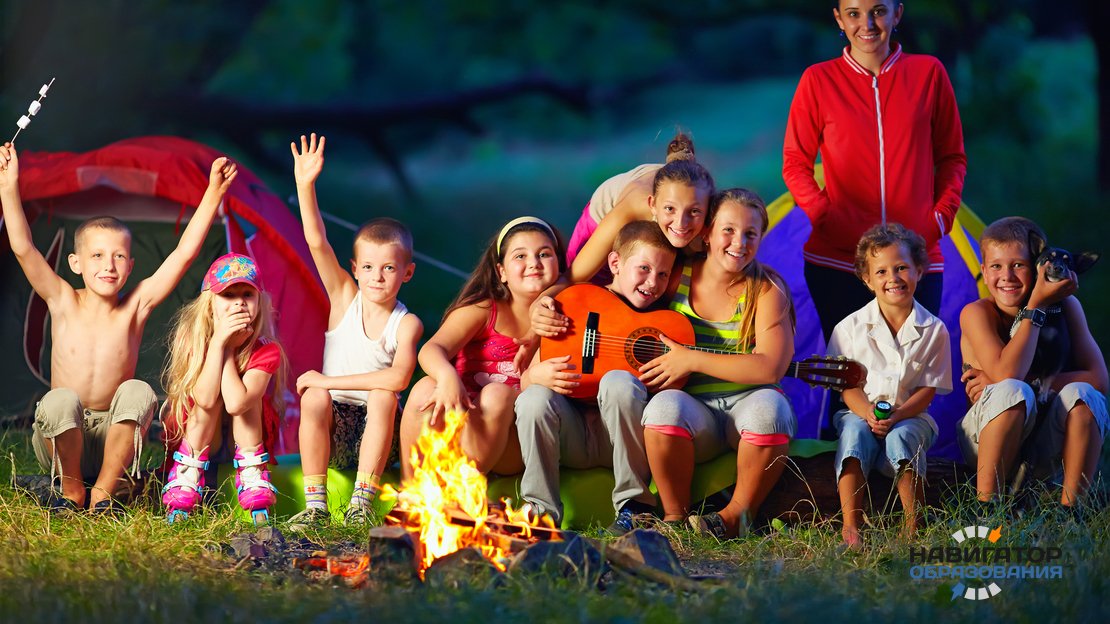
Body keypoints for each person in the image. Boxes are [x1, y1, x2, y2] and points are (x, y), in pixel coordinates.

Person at [0, 142, 236, 513]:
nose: (108, 266)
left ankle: (104, 492)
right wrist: (8, 186)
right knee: (60, 399)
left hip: (116, 435)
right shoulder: (62, 299)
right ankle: (72, 490)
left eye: (119, 256)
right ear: (75, 263)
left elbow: (183, 254)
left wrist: (213, 194)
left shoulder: (135, 307)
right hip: (63, 435)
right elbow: (22, 247)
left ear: (130, 266)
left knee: (138, 391)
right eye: (96, 256)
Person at [783, 0, 966, 340]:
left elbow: (952, 157)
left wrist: (939, 218)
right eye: (853, 13)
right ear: (839, 18)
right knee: (848, 371)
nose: (867, 24)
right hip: (838, 260)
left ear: (898, 13)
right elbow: (795, 163)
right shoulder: (818, 80)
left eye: (878, 11)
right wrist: (825, 217)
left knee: (913, 368)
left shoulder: (929, 73)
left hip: (914, 259)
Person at [640, 188, 797, 539]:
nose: (739, 243)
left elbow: (770, 367)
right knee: (663, 407)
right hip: (697, 414)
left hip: (748, 405)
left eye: (750, 233)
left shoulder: (766, 289)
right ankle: (675, 518)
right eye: (728, 230)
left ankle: (734, 518)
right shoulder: (674, 277)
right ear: (708, 232)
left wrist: (691, 359)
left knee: (770, 409)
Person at [285, 134, 423, 529]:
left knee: (382, 396)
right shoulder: (345, 297)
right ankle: (316, 507)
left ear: (407, 273)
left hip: (379, 437)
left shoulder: (406, 323)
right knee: (314, 397)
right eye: (368, 267)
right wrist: (305, 185)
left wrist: (327, 380)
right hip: (334, 431)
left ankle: (361, 503)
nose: (377, 277)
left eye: (389, 268)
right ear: (355, 268)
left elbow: (398, 379)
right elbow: (316, 242)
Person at [515, 221, 677, 533]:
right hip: (570, 434)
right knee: (534, 398)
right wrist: (536, 375)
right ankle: (540, 513)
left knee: (619, 382)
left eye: (663, 274)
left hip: (619, 438)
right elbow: (524, 385)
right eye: (644, 268)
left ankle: (635, 509)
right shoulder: (579, 303)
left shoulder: (663, 323)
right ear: (615, 263)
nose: (652, 282)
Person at [398, 216, 564, 480]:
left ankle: (462, 489)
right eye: (520, 256)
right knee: (425, 387)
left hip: (512, 441)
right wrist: (447, 376)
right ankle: (411, 491)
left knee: (497, 394)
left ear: (559, 264)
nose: (534, 262)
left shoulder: (565, 316)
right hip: (458, 418)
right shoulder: (485, 310)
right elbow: (432, 349)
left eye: (544, 254)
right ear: (502, 272)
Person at [958, 217, 1107, 510]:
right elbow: (1007, 374)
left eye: (1018, 265)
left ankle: (1072, 509)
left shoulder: (1066, 306)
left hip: (1045, 439)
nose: (1007, 276)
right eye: (996, 266)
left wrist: (1033, 383)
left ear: (1040, 266)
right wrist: (1035, 306)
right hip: (987, 442)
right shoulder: (977, 313)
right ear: (984, 272)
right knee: (1012, 391)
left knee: (1084, 395)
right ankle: (987, 507)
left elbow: (1099, 379)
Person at [827, 224, 952, 547]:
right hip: (859, 411)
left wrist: (897, 416)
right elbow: (847, 387)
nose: (893, 278)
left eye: (901, 268)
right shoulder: (849, 329)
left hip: (911, 415)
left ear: (919, 271)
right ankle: (851, 527)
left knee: (902, 436)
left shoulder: (934, 330)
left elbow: (927, 390)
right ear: (867, 279)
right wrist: (868, 413)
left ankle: (913, 526)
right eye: (881, 271)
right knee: (853, 433)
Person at [161, 253, 290, 524]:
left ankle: (252, 473)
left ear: (259, 302)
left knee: (247, 400)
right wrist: (218, 343)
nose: (239, 302)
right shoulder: (194, 339)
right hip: (199, 437)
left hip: (243, 442)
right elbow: (206, 400)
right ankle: (187, 474)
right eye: (228, 295)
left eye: (247, 294)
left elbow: (236, 404)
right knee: (209, 402)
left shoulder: (266, 349)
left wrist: (229, 349)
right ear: (210, 305)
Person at [564, 132, 714, 285]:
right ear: (652, 204)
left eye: (694, 211)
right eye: (670, 209)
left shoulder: (713, 215)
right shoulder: (632, 209)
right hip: (602, 228)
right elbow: (571, 279)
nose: (681, 223)